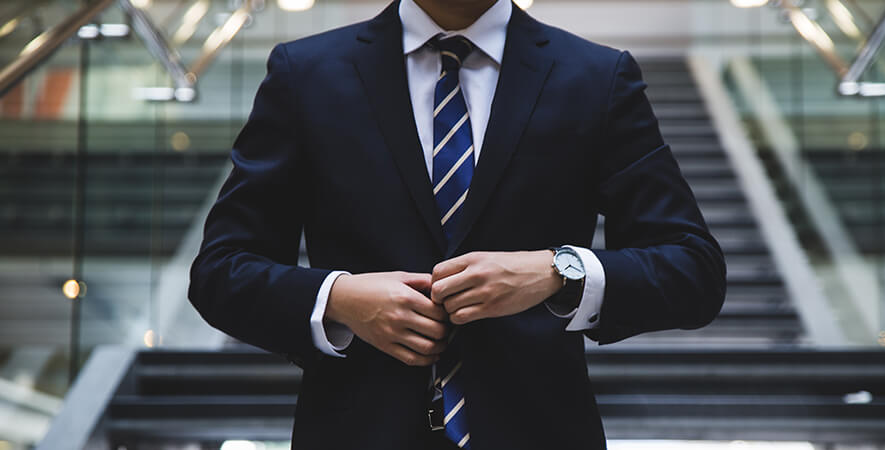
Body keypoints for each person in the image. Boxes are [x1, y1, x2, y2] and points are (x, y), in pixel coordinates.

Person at [188, 0, 727, 449]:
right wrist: (339, 299)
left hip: (539, 430)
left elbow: (693, 268)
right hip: (356, 429)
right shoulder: (306, 74)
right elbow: (220, 270)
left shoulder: (596, 77)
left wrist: (559, 271)